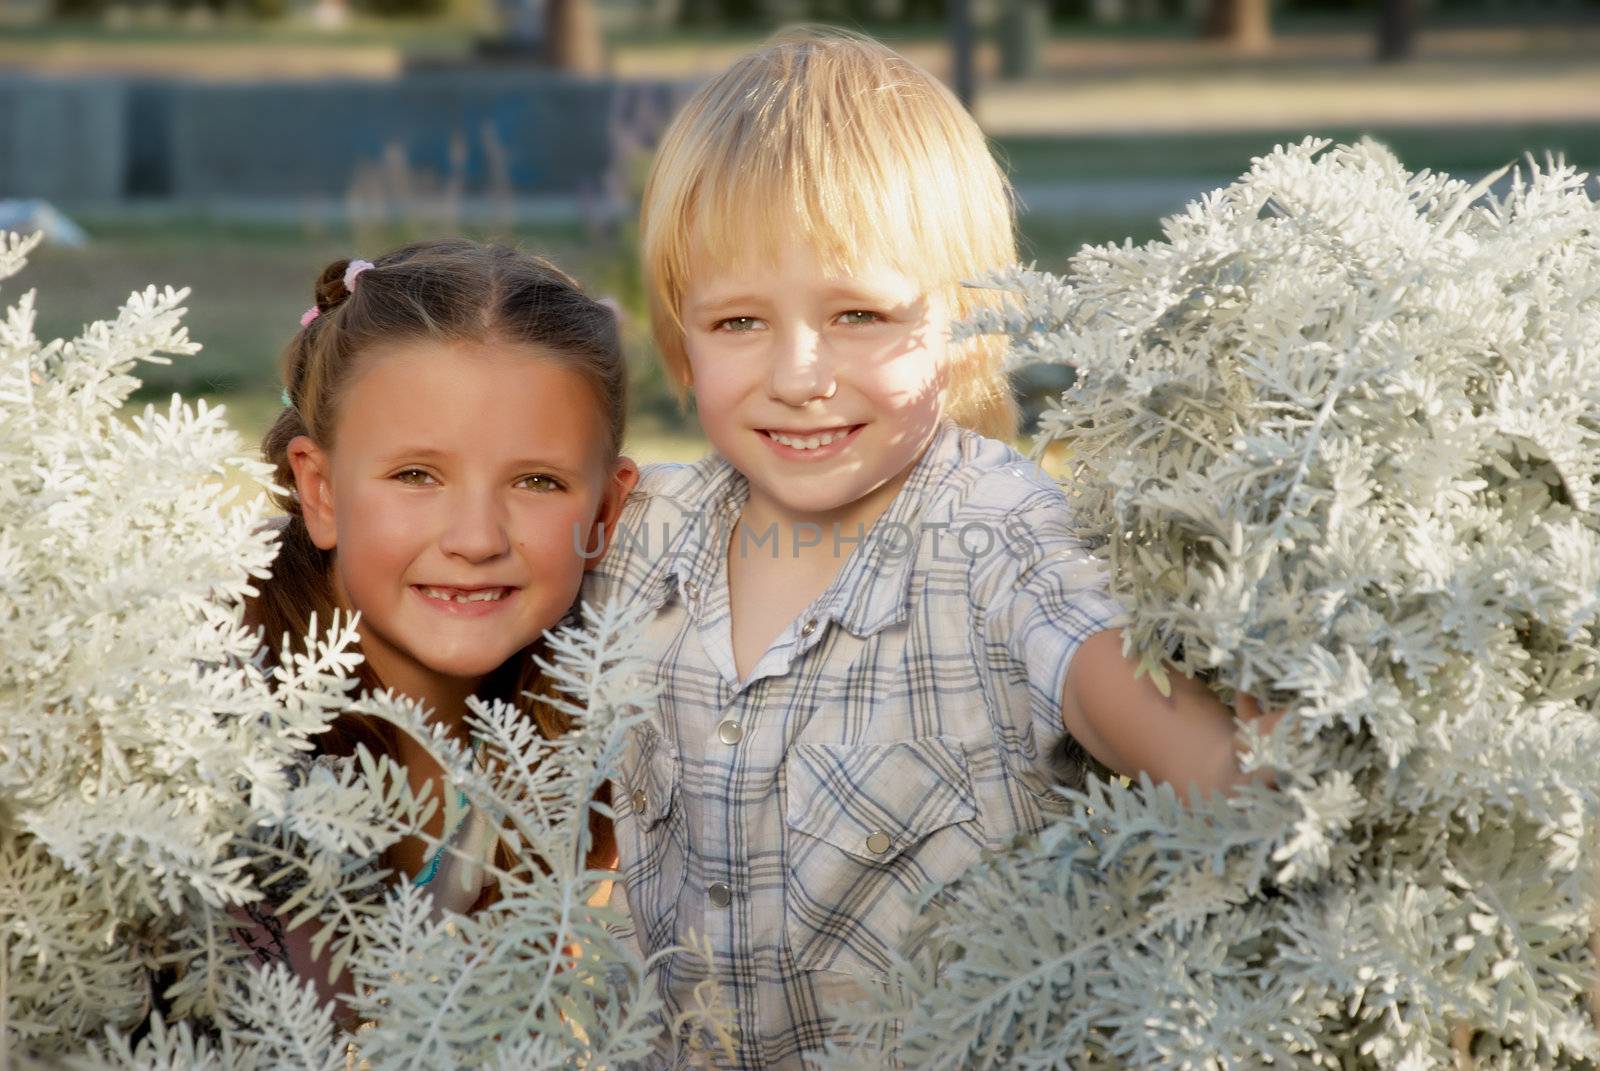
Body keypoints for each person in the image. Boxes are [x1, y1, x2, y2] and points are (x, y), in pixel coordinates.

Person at [584, 28, 1279, 1068]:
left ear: (966, 325)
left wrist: (1256, 775)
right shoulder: (652, 535)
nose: (799, 372)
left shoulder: (997, 531)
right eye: (737, 322)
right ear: (679, 342)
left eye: (858, 313)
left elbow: (1111, 683)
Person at [236, 237, 638, 1014]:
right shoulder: (226, 726)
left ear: (605, 512)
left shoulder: (585, 731)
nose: (477, 537)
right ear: (318, 490)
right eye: (417, 475)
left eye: (537, 480)